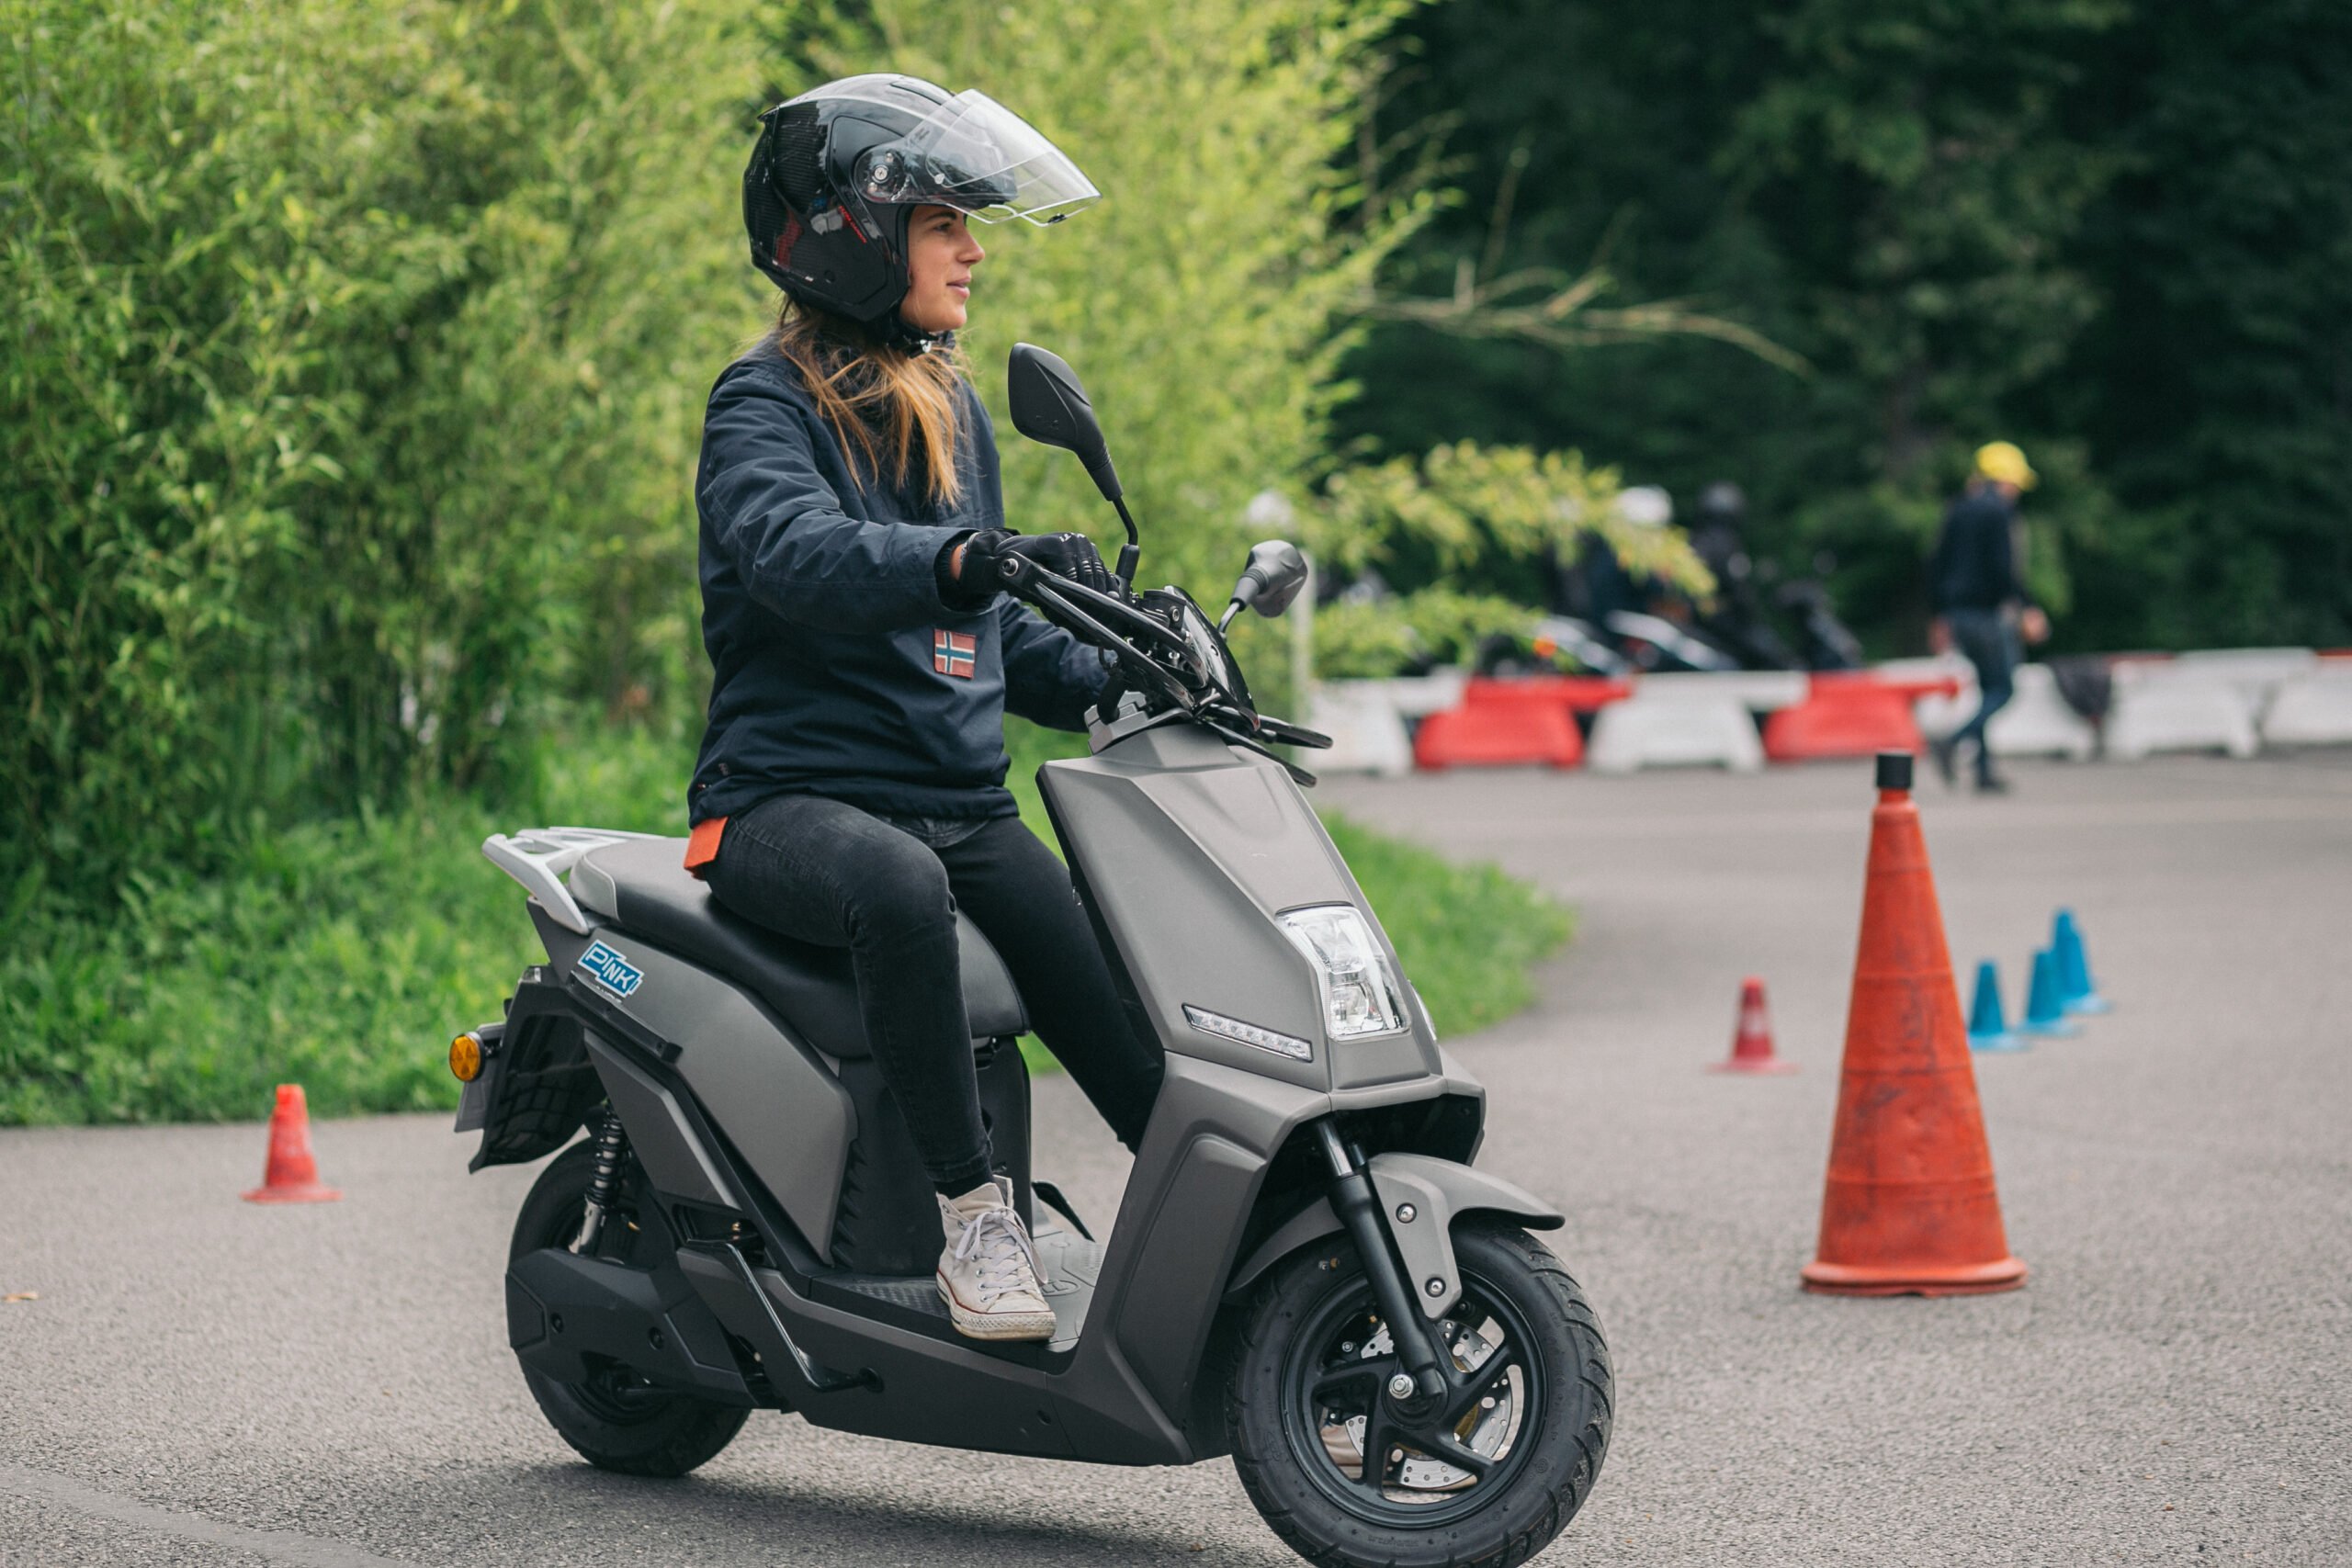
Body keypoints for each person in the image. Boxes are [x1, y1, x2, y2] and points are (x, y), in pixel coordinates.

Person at [684, 75, 1163, 1342]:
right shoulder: (762, 404)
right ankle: (972, 1217)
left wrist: (1118, 667)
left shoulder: (947, 404)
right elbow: (800, 555)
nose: (976, 247)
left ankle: (1240, 1231)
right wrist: (961, 561)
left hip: (960, 805)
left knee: (1101, 971)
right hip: (787, 804)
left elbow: (986, 625)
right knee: (899, 888)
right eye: (948, 220)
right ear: (857, 231)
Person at [1928, 441, 2052, 792]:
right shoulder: (1999, 512)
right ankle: (1954, 740)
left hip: (1957, 614)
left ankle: (1982, 772)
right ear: (2005, 480)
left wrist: (1938, 615)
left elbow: (1936, 565)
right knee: (2004, 688)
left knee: (1986, 689)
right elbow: (2003, 569)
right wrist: (2027, 607)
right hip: (1986, 614)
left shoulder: (1957, 509)